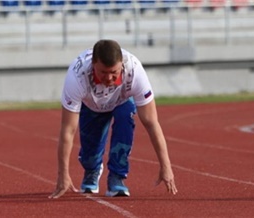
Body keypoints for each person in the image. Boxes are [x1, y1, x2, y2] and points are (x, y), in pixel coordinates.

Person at [49, 39, 177, 198]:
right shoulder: (77, 76)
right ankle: (92, 169)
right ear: (93, 64)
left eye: (114, 72)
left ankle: (117, 176)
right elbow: (68, 130)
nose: (109, 78)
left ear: (122, 64)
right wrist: (63, 175)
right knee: (90, 153)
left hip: (121, 101)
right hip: (91, 105)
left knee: (126, 118)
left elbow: (151, 122)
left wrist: (166, 166)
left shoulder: (134, 71)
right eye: (103, 72)